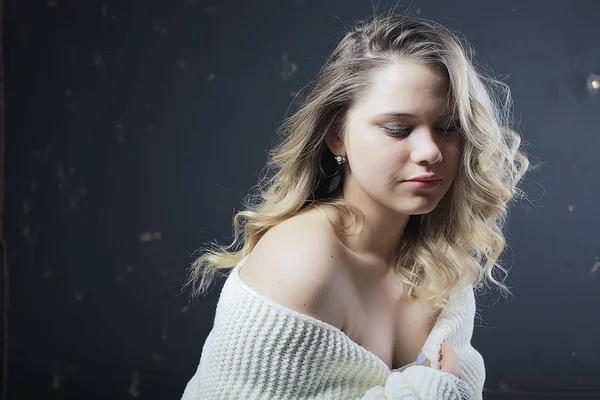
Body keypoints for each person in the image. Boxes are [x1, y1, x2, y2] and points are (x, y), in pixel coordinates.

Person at [182, 12, 529, 400]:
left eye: (448, 128)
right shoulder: (300, 261)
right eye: (397, 129)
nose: (430, 151)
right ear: (336, 137)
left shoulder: (438, 263)